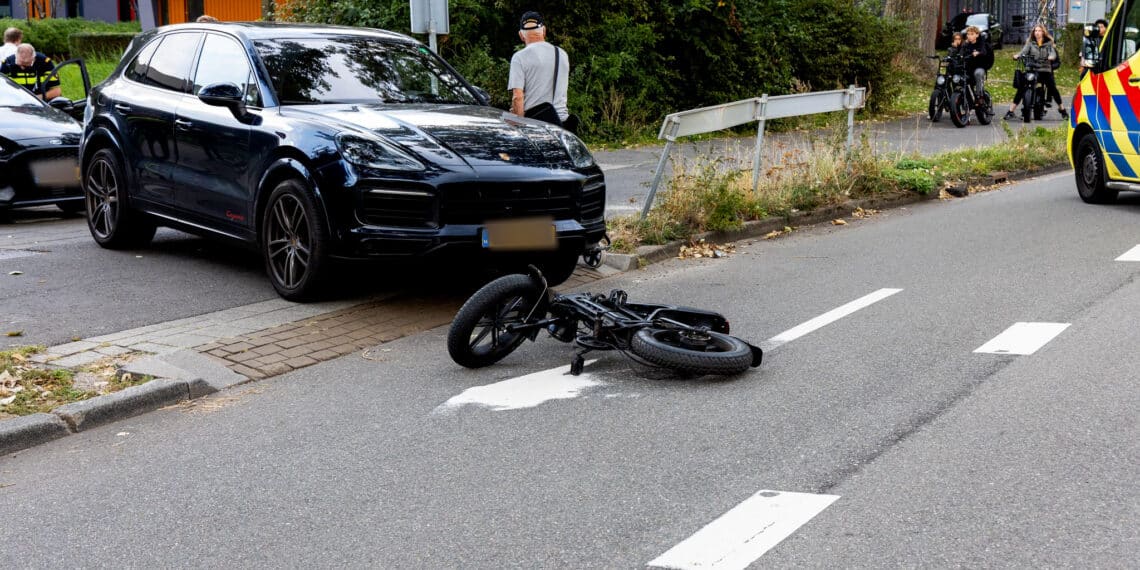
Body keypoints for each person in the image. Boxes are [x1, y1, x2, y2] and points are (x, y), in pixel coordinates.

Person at [508, 11, 570, 128]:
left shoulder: (519, 57)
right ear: (544, 31)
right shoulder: (562, 54)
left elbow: (518, 97)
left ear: (521, 35)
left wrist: (518, 126)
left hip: (536, 125)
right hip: (562, 123)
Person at [1004, 25, 1067, 122]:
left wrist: (1051, 57)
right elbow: (1023, 51)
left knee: (1052, 88)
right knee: (1022, 87)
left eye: (1039, 31)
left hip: (1045, 70)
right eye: (1035, 31)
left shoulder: (1049, 43)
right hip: (1032, 69)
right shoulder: (1030, 43)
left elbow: (1052, 53)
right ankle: (1011, 111)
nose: (1037, 32)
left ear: (1043, 32)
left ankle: (1062, 110)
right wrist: (1018, 55)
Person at [962, 26, 993, 104]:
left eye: (972, 34)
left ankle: (980, 95)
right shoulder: (966, 44)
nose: (969, 36)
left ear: (977, 35)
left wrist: (978, 53)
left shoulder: (981, 43)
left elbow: (984, 51)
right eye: (968, 34)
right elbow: (960, 54)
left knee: (978, 73)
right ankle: (966, 97)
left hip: (980, 66)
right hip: (969, 67)